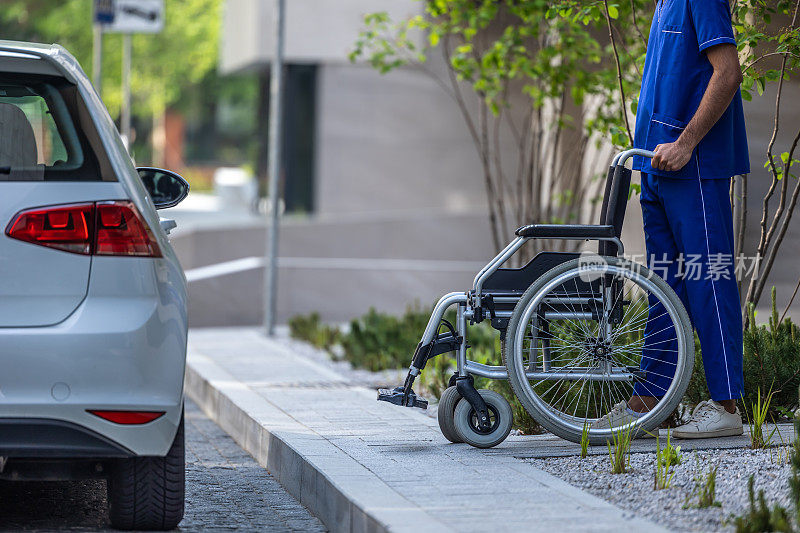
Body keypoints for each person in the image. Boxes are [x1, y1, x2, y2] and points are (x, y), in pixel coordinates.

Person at [595, 0, 749, 438]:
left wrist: (686, 144)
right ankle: (650, 402)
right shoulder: (665, 4)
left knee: (708, 279)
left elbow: (728, 73)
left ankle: (726, 406)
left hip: (694, 168)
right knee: (664, 284)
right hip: (654, 166)